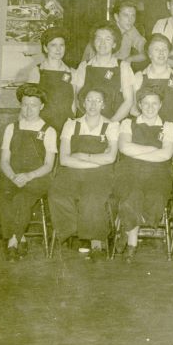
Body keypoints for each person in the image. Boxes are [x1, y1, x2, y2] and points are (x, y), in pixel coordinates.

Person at [49, 86, 119, 260]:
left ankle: (95, 241)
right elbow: (64, 159)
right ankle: (77, 233)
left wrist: (82, 156)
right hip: (72, 172)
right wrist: (95, 160)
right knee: (57, 194)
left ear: (103, 104)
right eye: (89, 100)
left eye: (98, 100)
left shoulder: (111, 126)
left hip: (100, 175)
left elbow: (110, 158)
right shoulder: (71, 124)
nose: (93, 104)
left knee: (92, 197)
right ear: (82, 103)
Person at [0, 84, 57, 261]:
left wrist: (28, 176)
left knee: (22, 199)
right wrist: (13, 176)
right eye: (25, 104)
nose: (28, 109)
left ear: (41, 106)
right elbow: (4, 161)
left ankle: (13, 242)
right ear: (21, 105)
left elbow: (48, 165)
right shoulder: (11, 128)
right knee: (0, 198)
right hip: (11, 176)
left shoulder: (48, 131)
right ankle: (20, 236)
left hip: (37, 178)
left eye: (33, 105)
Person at [114, 86, 173, 263]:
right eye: (146, 103)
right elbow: (124, 148)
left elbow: (166, 155)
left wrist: (138, 151)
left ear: (160, 104)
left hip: (158, 172)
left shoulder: (168, 126)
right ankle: (132, 243)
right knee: (131, 194)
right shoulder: (128, 123)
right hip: (130, 170)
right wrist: (152, 149)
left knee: (155, 196)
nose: (150, 107)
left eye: (154, 103)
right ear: (139, 105)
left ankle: (126, 232)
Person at [72, 21, 135, 123]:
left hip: (112, 123)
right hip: (86, 123)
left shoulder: (123, 66)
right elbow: (76, 98)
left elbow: (128, 101)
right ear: (93, 42)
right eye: (99, 38)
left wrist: (110, 123)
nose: (102, 43)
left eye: (108, 39)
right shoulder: (84, 66)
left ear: (114, 44)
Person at [27, 27, 74, 136]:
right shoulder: (37, 71)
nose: (58, 49)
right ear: (45, 48)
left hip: (65, 124)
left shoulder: (72, 72)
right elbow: (29, 103)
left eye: (61, 45)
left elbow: (73, 103)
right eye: (53, 45)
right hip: (42, 123)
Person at [131, 34, 173, 124]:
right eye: (156, 49)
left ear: (168, 53)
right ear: (149, 54)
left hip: (171, 128)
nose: (161, 53)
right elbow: (133, 110)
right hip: (146, 128)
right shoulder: (139, 77)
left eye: (164, 49)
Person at [82, 1, 147, 69]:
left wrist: (130, 59)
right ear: (116, 17)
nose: (130, 20)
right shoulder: (106, 31)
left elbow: (148, 49)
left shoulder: (131, 30)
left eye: (133, 15)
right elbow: (93, 64)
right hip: (96, 69)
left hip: (118, 71)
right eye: (126, 15)